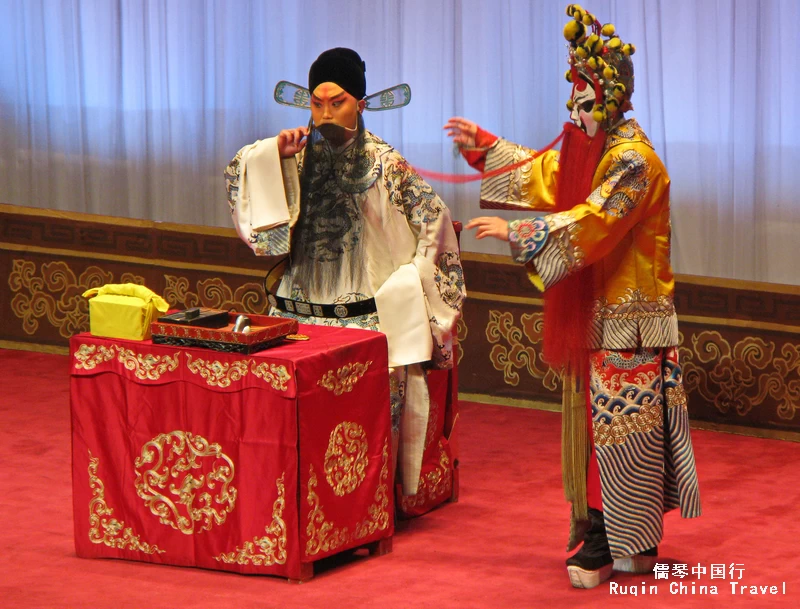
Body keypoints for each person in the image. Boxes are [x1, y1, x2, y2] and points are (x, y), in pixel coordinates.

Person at [445, 5, 700, 589]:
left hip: (630, 323)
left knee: (623, 431)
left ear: (609, 104)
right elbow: (546, 173)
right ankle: (605, 530)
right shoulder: (594, 154)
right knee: (597, 428)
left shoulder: (634, 163)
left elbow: (593, 218)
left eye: (584, 104)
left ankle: (619, 535)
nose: (574, 114)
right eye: (572, 104)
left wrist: (519, 232)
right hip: (599, 316)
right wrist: (485, 147)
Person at [225, 48, 465, 501]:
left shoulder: (386, 164)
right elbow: (253, 211)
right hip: (296, 317)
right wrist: (273, 156)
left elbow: (434, 221)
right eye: (316, 104)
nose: (325, 114)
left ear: (360, 102)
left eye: (336, 102)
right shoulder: (293, 156)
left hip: (364, 321)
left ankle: (360, 506)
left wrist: (409, 287)